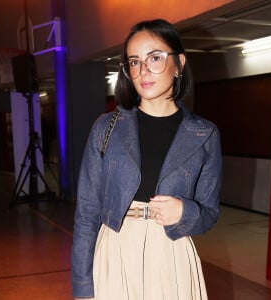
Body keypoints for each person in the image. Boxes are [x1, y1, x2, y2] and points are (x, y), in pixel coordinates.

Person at [71, 19, 222, 300]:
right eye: (134, 62)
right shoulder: (107, 128)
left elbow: (210, 213)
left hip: (170, 252)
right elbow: (87, 213)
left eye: (155, 58)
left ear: (179, 63)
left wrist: (185, 213)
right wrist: (82, 286)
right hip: (115, 248)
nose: (143, 71)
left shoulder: (205, 134)